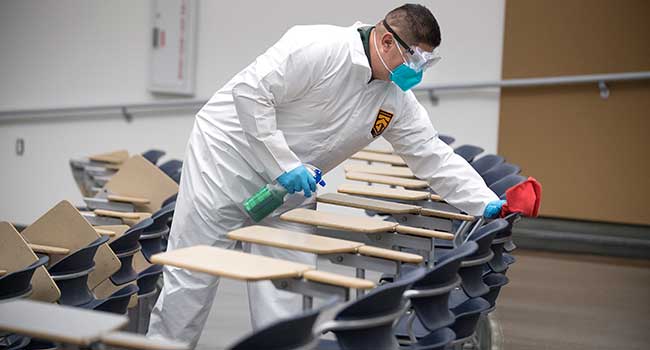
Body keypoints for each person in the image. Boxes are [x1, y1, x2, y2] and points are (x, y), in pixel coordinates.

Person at [147, 4, 502, 347]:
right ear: (386, 40)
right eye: (414, 58)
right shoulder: (318, 46)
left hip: (291, 189)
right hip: (225, 162)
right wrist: (284, 165)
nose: (417, 70)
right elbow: (251, 94)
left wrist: (484, 200)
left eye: (426, 62)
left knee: (287, 284)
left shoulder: (395, 100)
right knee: (192, 274)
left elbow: (431, 153)